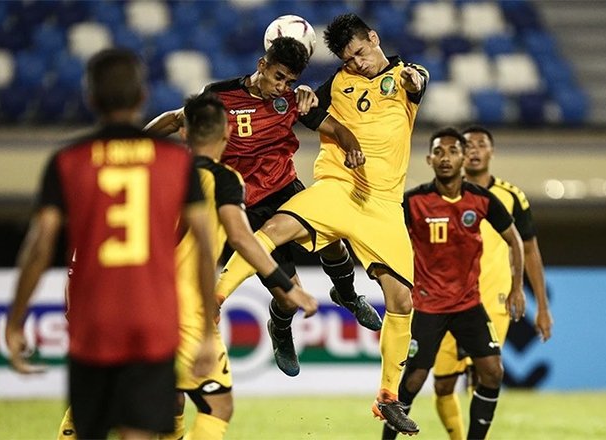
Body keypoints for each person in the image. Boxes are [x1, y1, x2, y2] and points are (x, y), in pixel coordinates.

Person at [215, 14, 429, 435]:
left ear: (375, 38)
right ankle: (217, 295)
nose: (356, 64)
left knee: (402, 300)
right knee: (277, 230)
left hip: (383, 204)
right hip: (336, 188)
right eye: (348, 59)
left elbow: (417, 79)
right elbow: (304, 102)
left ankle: (388, 398)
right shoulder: (337, 83)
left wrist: (415, 79)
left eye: (361, 54)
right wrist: (310, 94)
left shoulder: (405, 77)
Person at [6, 48, 218, 440]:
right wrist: (206, 329)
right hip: (152, 321)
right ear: (142, 97)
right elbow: (205, 248)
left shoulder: (68, 160)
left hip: (94, 323)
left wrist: (16, 320)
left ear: (90, 99)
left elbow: (38, 247)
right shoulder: (175, 161)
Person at [146, 36, 381, 378]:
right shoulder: (220, 94)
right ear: (262, 66)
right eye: (279, 77)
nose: (283, 86)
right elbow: (173, 119)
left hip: (286, 190)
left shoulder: (293, 100)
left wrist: (352, 148)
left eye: (290, 81)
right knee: (289, 296)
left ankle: (348, 294)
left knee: (332, 239)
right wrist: (131, 140)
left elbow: (337, 129)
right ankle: (280, 328)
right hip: (245, 204)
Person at [163, 92, 319, 440]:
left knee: (156, 398)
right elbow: (243, 238)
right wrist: (289, 287)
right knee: (217, 406)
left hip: (136, 299)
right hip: (185, 307)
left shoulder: (156, 172)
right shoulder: (225, 179)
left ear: (184, 133)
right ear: (227, 135)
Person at [382, 128, 526, 440]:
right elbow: (386, 238)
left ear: (462, 158)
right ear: (429, 159)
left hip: (468, 305)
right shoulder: (415, 202)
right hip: (429, 306)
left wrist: (517, 287)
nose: (445, 157)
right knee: (415, 380)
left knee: (493, 371)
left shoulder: (481, 200)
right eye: (439, 152)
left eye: (452, 151)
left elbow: (515, 240)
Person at [429, 125, 554, 439]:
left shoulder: (511, 196)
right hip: (447, 301)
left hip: (493, 301)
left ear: (491, 151)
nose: (474, 149)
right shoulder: (438, 194)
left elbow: (529, 249)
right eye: (467, 145)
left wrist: (542, 307)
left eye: (481, 144)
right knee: (443, 384)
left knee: (483, 374)